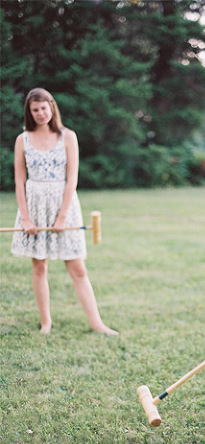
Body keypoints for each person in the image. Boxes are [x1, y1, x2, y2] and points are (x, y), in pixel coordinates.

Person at [11, 88, 118, 336]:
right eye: (35, 110)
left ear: (52, 107)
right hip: (34, 205)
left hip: (64, 205)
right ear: (30, 112)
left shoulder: (68, 137)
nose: (40, 113)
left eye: (43, 108)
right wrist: (25, 217)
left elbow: (72, 180)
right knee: (39, 266)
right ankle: (46, 321)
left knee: (78, 267)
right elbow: (19, 181)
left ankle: (96, 323)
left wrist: (61, 216)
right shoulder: (22, 139)